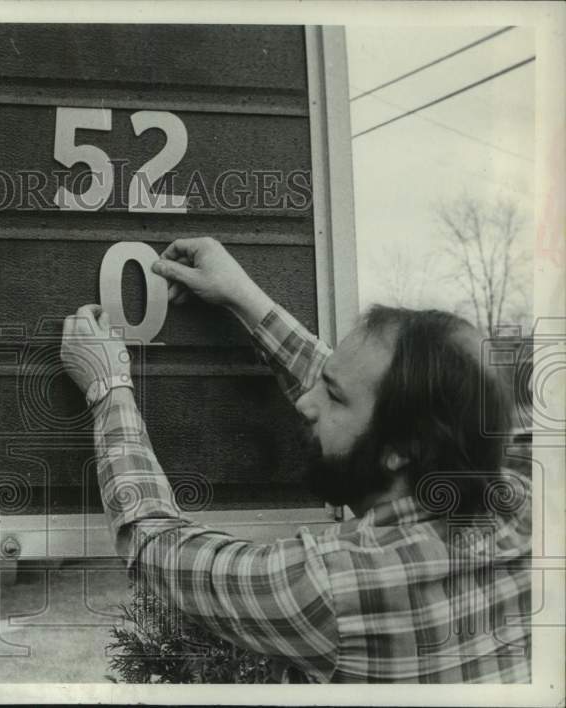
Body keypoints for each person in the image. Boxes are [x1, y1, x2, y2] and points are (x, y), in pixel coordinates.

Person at [59, 237, 531, 683]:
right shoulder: (528, 498)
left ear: (401, 451)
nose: (307, 403)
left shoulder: (334, 589)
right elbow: (371, 396)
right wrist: (243, 296)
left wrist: (108, 387)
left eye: (332, 396)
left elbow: (158, 547)